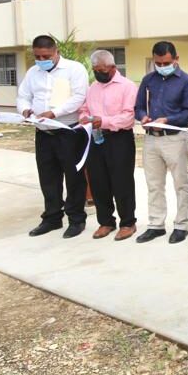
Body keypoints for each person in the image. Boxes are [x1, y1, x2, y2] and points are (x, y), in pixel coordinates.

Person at [18, 35, 89, 239]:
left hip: (69, 131)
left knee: (74, 177)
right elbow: (23, 96)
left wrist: (54, 113)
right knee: (48, 177)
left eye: (46, 56)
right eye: (37, 56)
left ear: (56, 51)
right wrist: (25, 110)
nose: (41, 60)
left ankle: (76, 219)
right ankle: (52, 218)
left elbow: (78, 97)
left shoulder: (74, 69)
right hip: (43, 133)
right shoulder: (33, 72)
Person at [134, 41, 188, 244]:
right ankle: (156, 224)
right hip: (151, 139)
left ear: (176, 59)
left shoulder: (187, 81)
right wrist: (143, 117)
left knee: (181, 183)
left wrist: (167, 121)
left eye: (166, 62)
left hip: (175, 139)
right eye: (158, 62)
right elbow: (139, 107)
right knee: (154, 184)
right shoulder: (148, 80)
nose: (162, 66)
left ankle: (181, 224)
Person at [79, 50, 139, 241]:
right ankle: (106, 221)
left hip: (119, 138)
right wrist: (84, 118)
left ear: (113, 67)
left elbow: (129, 116)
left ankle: (128, 222)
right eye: (95, 70)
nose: (99, 73)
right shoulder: (93, 88)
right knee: (98, 181)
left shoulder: (127, 86)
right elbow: (84, 109)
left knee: (122, 182)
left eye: (102, 70)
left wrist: (103, 121)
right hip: (96, 138)